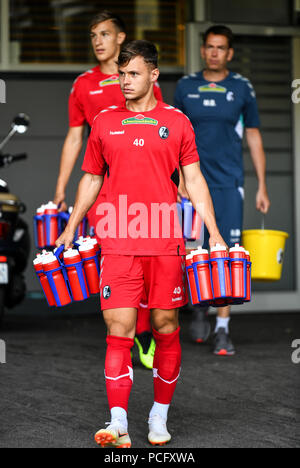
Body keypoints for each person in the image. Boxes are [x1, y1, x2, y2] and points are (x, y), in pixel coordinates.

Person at [56, 40, 226, 448]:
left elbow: (195, 180)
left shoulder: (178, 122)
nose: (125, 81)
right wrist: (71, 226)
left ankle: (158, 414)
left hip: (165, 239)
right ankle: (117, 422)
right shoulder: (104, 122)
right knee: (119, 329)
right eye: (121, 74)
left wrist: (214, 231)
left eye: (133, 74)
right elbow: (92, 178)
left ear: (153, 75)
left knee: (167, 326)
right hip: (117, 239)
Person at [53, 10, 163, 369]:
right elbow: (74, 138)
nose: (97, 41)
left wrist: (175, 184)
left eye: (104, 34)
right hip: (104, 194)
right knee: (116, 266)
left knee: (147, 267)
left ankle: (144, 333)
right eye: (92, 36)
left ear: (120, 38)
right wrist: (61, 189)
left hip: (145, 194)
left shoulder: (141, 78)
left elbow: (165, 133)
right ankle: (124, 334)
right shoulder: (83, 84)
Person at [174, 25, 270, 356]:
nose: (215, 52)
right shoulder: (185, 86)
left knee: (228, 253)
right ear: (202, 51)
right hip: (192, 181)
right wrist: (179, 181)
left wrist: (261, 185)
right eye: (210, 47)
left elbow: (254, 135)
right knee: (191, 250)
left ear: (229, 53)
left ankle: (223, 328)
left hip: (229, 184)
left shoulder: (242, 88)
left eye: (221, 48)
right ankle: (199, 307)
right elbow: (173, 135)